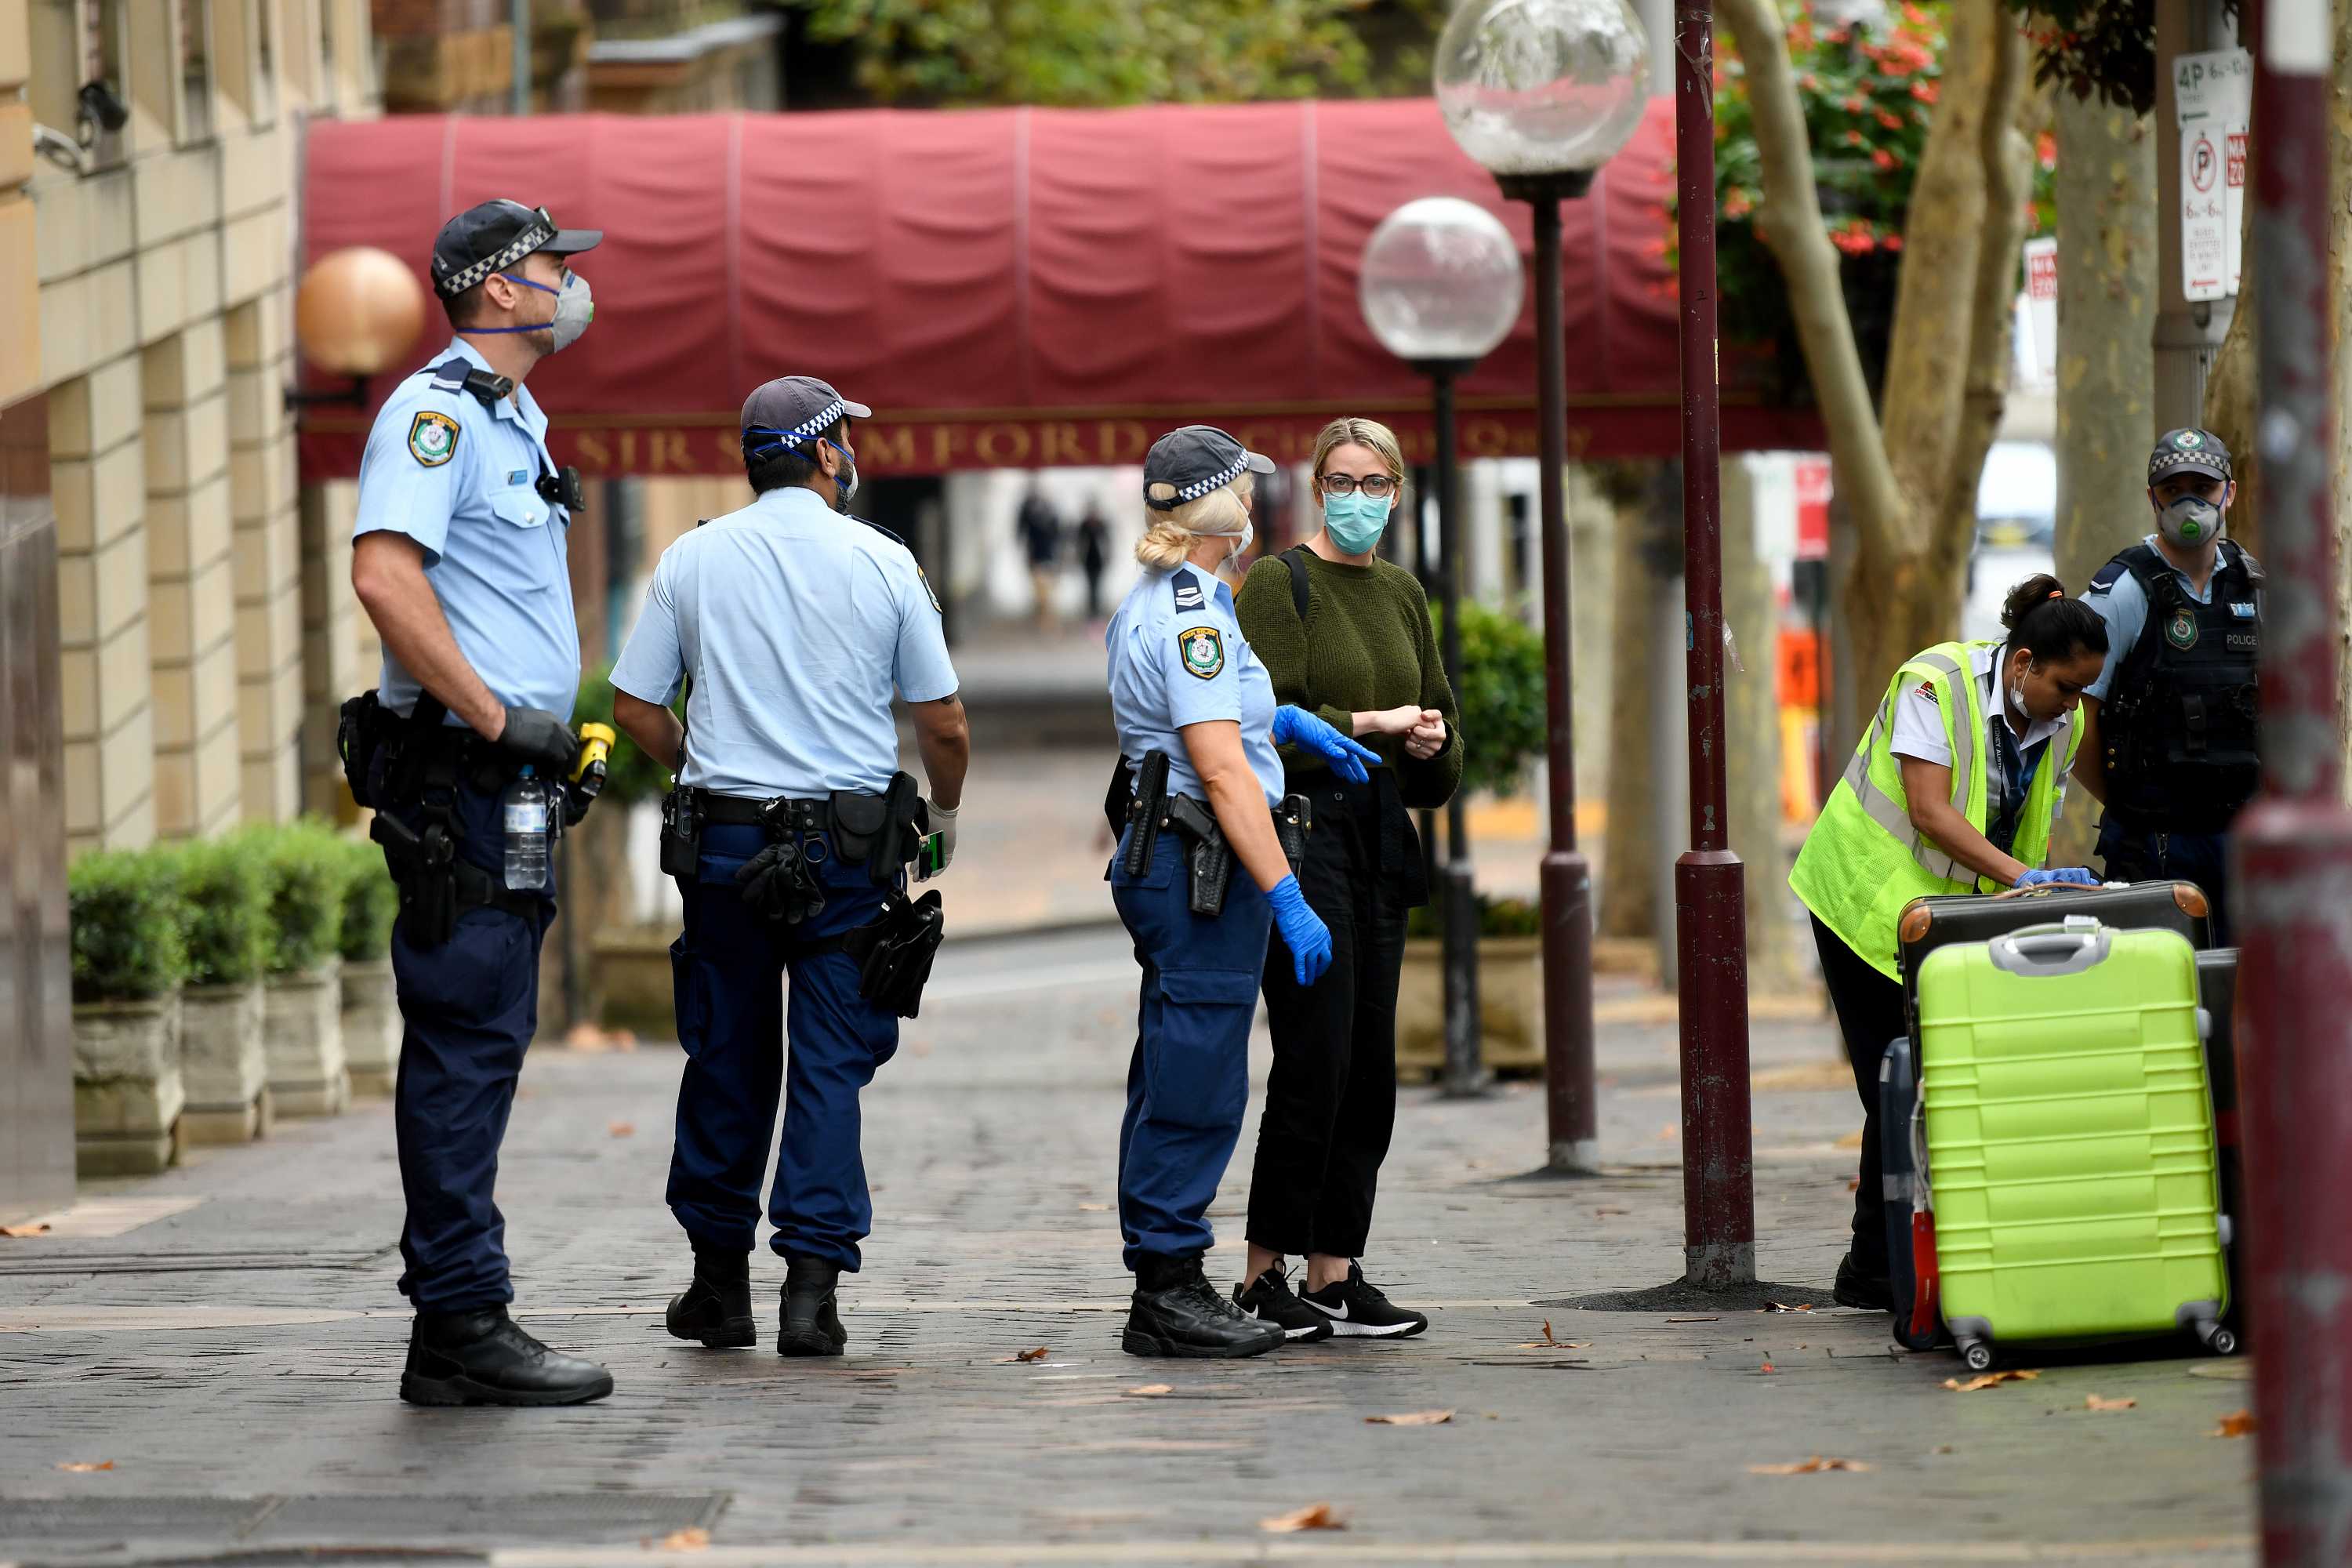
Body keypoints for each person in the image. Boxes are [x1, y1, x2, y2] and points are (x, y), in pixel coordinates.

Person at [608, 376, 968, 1359]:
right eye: (847, 438)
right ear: (823, 454)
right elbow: (941, 719)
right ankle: (811, 1293)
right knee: (829, 1064)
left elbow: (636, 707)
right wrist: (942, 811)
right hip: (846, 851)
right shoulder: (884, 559)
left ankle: (718, 1288)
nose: (854, 453)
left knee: (724, 1054)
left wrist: (702, 762)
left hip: (723, 846)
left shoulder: (691, 557)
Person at [344, 198, 612, 1406]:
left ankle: (455, 1323)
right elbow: (385, 575)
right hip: (462, 773)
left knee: (486, 1045)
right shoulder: (437, 413)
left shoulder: (515, 414)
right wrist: (504, 722)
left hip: (504, 778)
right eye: (557, 267)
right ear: (501, 288)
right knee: (465, 1045)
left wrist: (543, 745)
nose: (573, 282)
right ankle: (460, 1321)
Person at [1105, 424, 1378, 1359]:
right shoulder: (1189, 610)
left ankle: (1166, 1268)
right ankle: (1170, 1288)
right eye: (1246, 492)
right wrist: (1289, 891)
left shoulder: (1184, 599)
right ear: (1221, 507)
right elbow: (1221, 771)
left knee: (1176, 1063)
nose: (1261, 505)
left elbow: (1223, 719)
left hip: (1181, 863)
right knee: (1196, 1078)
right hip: (1199, 869)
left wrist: (1289, 718)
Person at [1787, 575, 2111, 1312]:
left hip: (1947, 919)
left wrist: (2036, 893)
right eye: (2065, 686)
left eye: (2084, 691)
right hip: (1862, 904)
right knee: (1894, 1087)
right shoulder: (1934, 685)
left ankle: (1880, 1270)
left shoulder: (2066, 721)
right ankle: (1879, 1271)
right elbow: (1931, 812)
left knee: (1929, 1084)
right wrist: (2029, 880)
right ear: (2023, 663)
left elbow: (2028, 814)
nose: (2073, 704)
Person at [1229, 416, 1460, 1341]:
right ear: (1318, 487)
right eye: (1341, 480)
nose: (1358, 497)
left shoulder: (1404, 593)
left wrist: (1433, 739)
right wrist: (1370, 721)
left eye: (1375, 482)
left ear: (1398, 492)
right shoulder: (1281, 584)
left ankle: (1334, 1268)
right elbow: (1262, 715)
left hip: (1380, 835)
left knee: (1371, 1064)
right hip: (1304, 831)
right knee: (1315, 1054)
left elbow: (1441, 733)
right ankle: (1261, 1272)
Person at [2072, 429, 2262, 943]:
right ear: (2151, 497)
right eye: (2173, 488)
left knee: (2247, 1001)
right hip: (2155, 844)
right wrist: (2130, 802)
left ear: (2230, 492)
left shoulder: (2253, 586)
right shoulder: (2124, 590)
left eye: (2201, 486)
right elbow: (2078, 716)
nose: (2188, 500)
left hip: (2242, 843)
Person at [1018, 484, 1064, 632]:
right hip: (1040, 559)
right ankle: (1044, 619)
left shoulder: (1040, 521)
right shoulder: (1036, 520)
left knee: (1045, 593)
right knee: (1042, 593)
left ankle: (1046, 619)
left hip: (1046, 559)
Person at [1077, 500, 1111, 622]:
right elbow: (1079, 543)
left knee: (1098, 588)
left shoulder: (1101, 525)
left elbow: (1106, 542)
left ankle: (1098, 613)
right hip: (1088, 562)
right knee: (1090, 588)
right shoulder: (1084, 525)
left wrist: (1107, 557)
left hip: (1099, 562)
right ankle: (1092, 614)